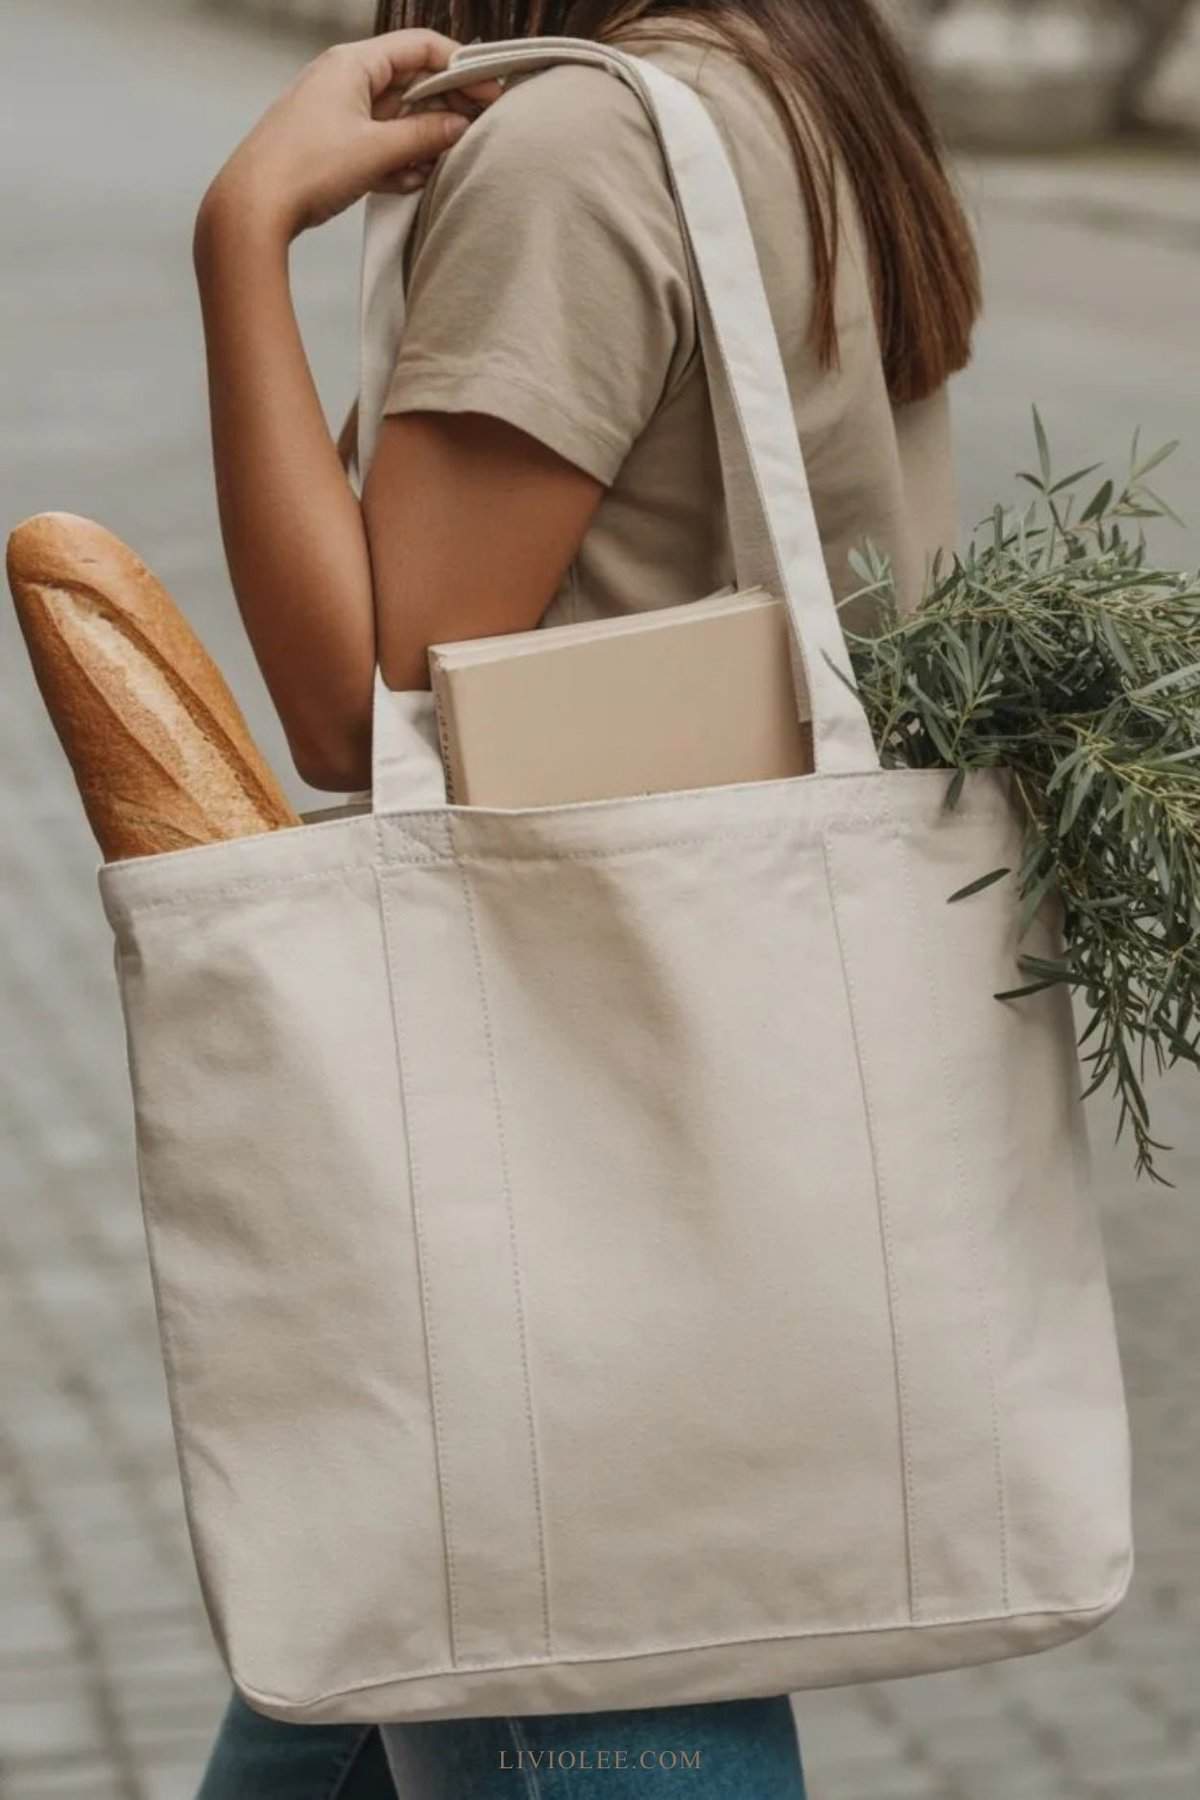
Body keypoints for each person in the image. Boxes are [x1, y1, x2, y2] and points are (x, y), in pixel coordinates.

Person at [192, 2, 980, 1793]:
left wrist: (242, 241)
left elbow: (359, 710)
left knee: (589, 1630)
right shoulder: (799, 81)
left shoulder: (576, 150)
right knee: (359, 1646)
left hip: (559, 1153)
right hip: (707, 1073)